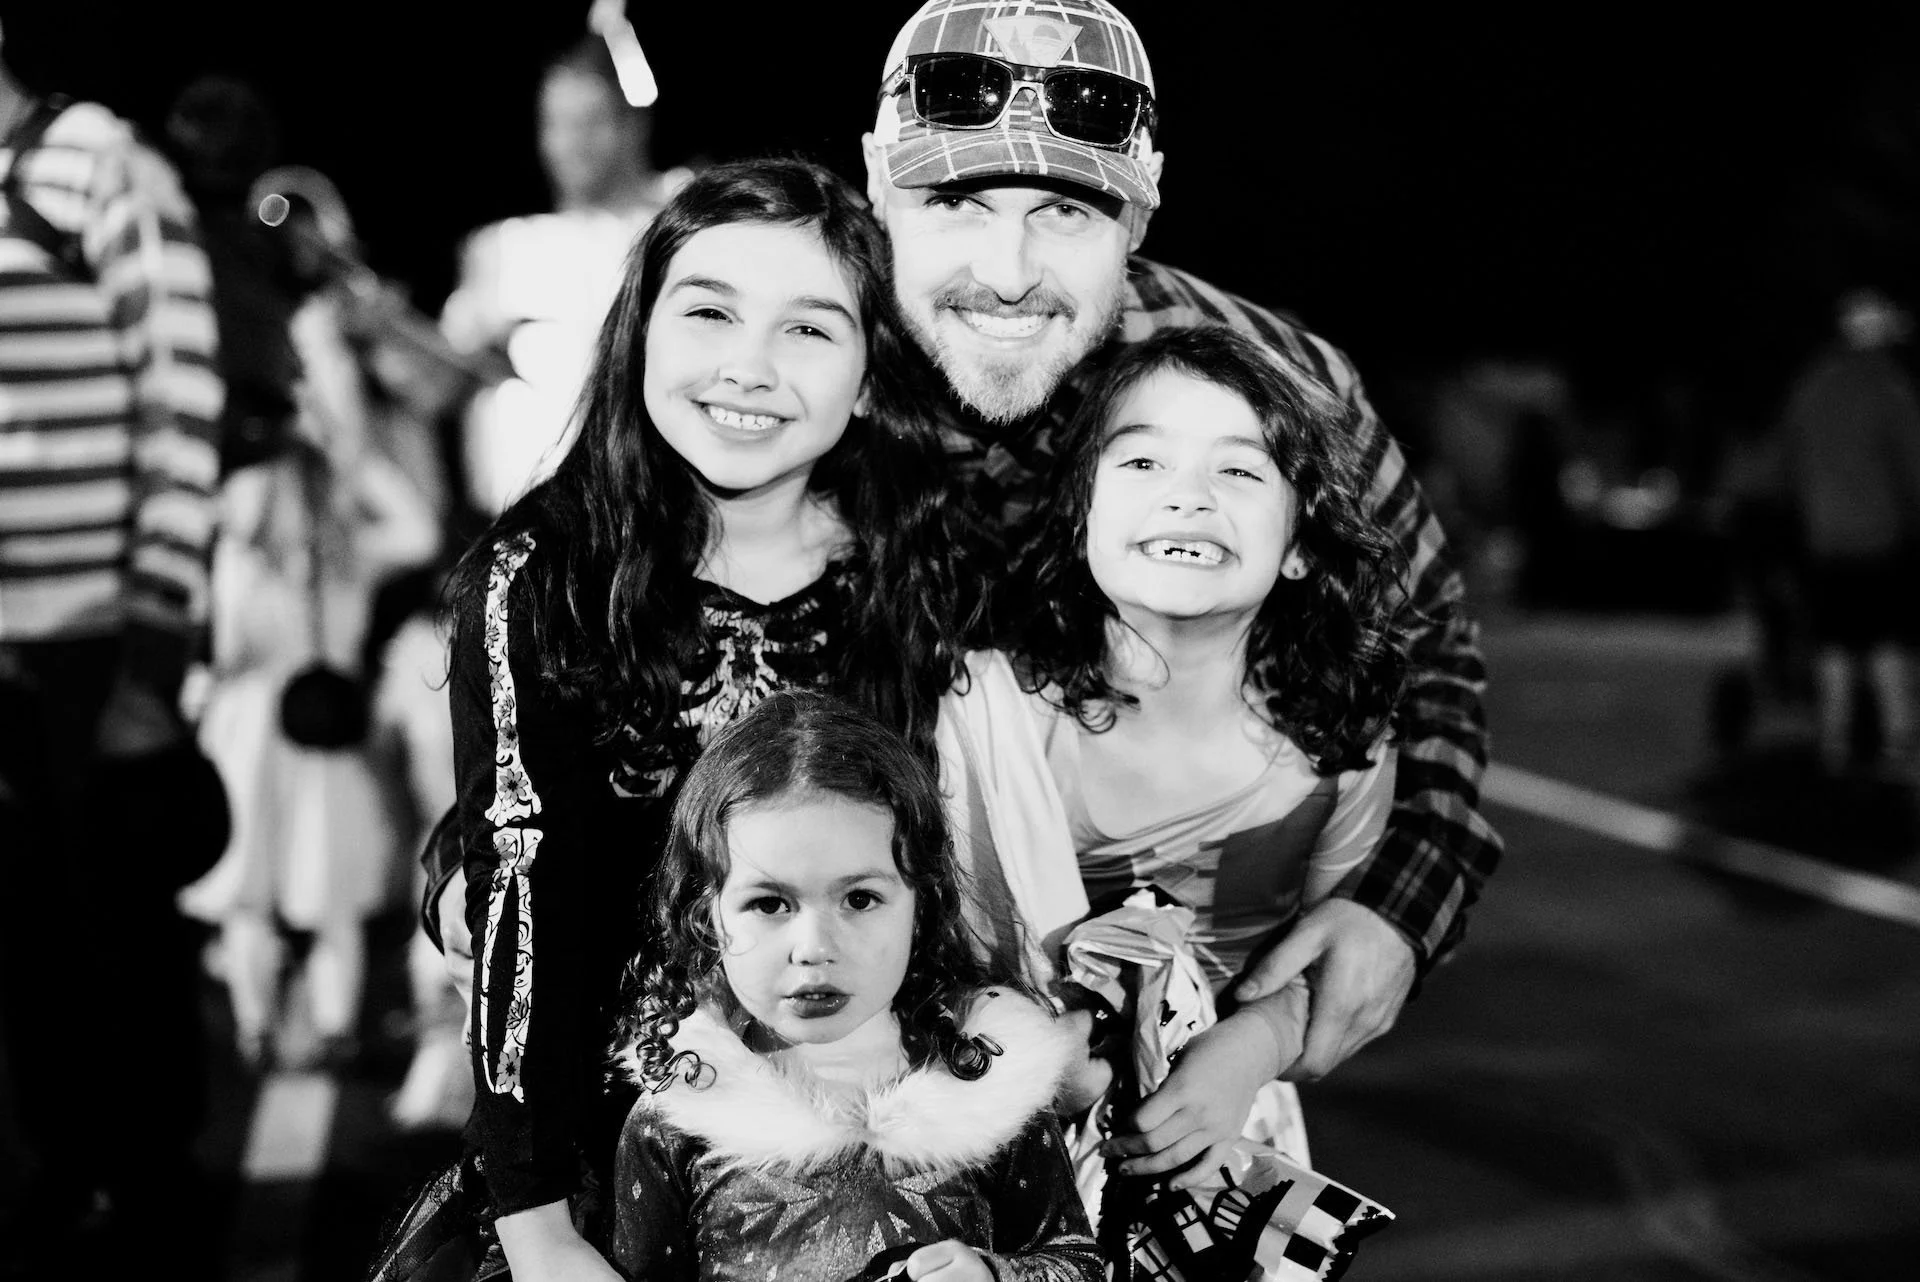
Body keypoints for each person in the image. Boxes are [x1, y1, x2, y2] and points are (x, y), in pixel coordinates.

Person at [861, 0, 1502, 1082]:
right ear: (879, 182)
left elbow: (1423, 635)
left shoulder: (1274, 386)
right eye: (956, 200)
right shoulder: (792, 370)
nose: (1008, 269)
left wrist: (1403, 904)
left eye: (1067, 209)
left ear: (1143, 206)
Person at [440, 157, 976, 1281]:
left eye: (809, 330)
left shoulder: (923, 571)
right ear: (639, 330)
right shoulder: (540, 580)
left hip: (888, 1143)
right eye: (710, 313)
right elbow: (521, 894)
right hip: (618, 1155)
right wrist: (537, 1228)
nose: (749, 366)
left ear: (870, 376)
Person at [939, 325, 1406, 1191]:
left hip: (1218, 1153)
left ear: (1302, 544)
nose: (1188, 496)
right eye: (1144, 462)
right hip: (985, 1160)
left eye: (1240, 471)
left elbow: (1332, 963)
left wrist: (1254, 1044)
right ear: (1080, 512)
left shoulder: (1340, 745)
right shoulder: (984, 712)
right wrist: (1034, 1057)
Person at [607, 690, 1102, 1282]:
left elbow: (1078, 1263)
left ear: (920, 906)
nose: (815, 947)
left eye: (860, 899)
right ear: (707, 914)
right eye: (769, 903)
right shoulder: (681, 1109)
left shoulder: (987, 1079)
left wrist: (994, 1276)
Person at [0, 16, 225, 1269]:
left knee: (120, 927)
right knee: (26, 929)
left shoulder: (98, 160)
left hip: (96, 634)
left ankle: (158, 1187)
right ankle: (67, 1169)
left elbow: (179, 402)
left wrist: (154, 648)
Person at [440, 32, 691, 519]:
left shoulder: (670, 229)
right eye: (556, 124)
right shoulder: (501, 246)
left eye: (591, 123)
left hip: (645, 514)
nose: (572, 144)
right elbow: (438, 385)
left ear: (633, 127)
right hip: (517, 523)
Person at [1775, 287, 1920, 776]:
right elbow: (1913, 466)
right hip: (1879, 537)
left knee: (1833, 641)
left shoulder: (1812, 384)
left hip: (1825, 537)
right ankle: (1897, 740)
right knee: (1885, 639)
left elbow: (1789, 462)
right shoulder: (1889, 388)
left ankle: (1835, 742)